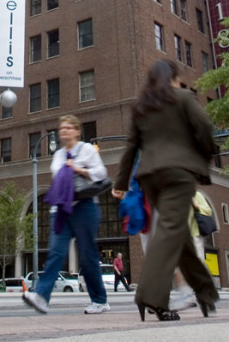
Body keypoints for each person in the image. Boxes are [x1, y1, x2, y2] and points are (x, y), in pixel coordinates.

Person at [112, 59, 218, 322]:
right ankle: (150, 295)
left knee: (178, 234)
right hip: (179, 173)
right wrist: (205, 155)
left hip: (149, 177)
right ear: (172, 78)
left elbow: (130, 147)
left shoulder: (142, 107)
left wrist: (121, 183)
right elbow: (204, 127)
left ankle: (205, 293)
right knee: (171, 230)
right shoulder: (183, 97)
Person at [23, 114, 110, 316]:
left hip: (85, 207)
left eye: (69, 127)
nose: (64, 130)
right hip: (62, 209)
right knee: (55, 252)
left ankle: (100, 300)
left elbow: (101, 173)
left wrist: (78, 169)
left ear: (78, 131)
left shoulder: (87, 150)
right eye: (62, 127)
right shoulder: (58, 155)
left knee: (88, 257)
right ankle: (41, 296)